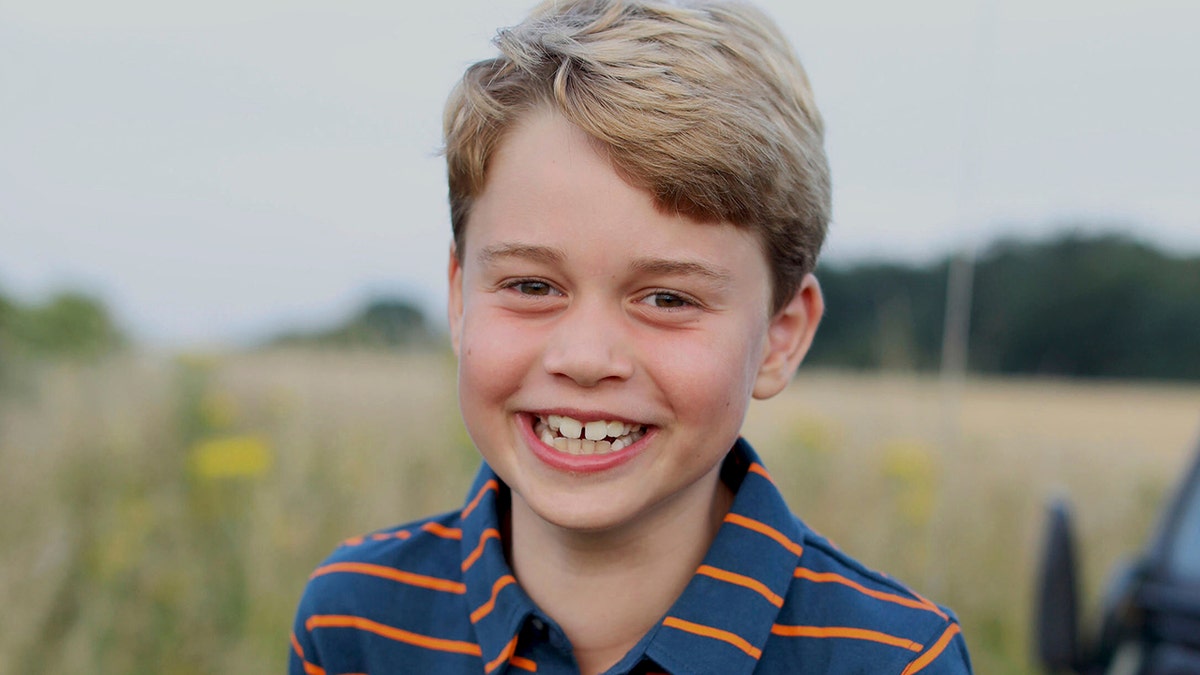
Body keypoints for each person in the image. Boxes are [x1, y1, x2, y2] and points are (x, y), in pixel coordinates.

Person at [289, 1, 973, 673]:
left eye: (668, 298)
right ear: (460, 294)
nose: (585, 358)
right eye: (531, 286)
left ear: (780, 335)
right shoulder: (355, 622)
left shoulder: (895, 659)